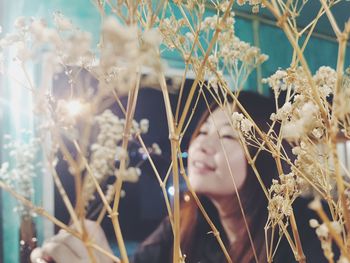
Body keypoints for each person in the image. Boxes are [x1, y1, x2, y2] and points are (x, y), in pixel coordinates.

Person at [31, 91, 329, 263]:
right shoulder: (186, 221)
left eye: (227, 135)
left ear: (267, 156)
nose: (202, 144)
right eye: (201, 131)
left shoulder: (305, 238)